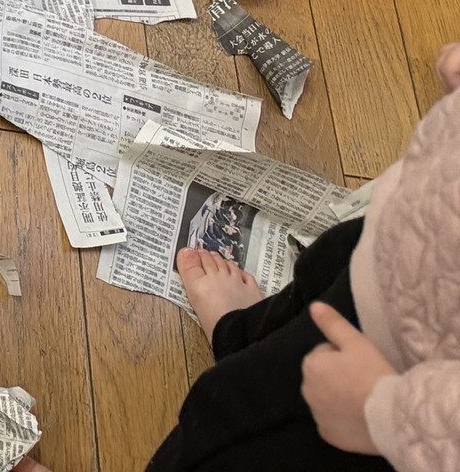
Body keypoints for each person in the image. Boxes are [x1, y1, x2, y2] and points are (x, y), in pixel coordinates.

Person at [149, 41, 460, 472]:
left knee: (232, 429)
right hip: (410, 226)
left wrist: (398, 417)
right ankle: (242, 335)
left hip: (405, 382)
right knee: (321, 274)